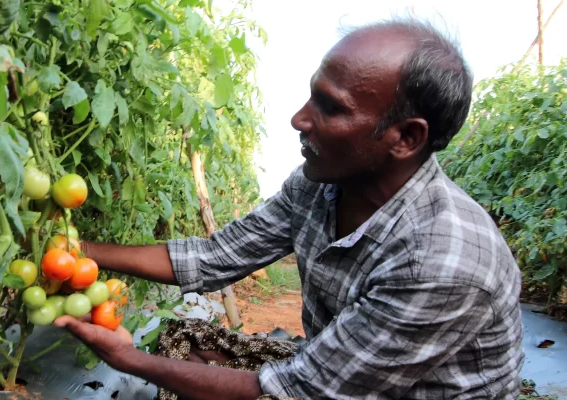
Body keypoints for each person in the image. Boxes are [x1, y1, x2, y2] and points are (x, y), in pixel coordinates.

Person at [53, 17, 524, 400]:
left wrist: (127, 359)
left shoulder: (443, 261)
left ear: (405, 137)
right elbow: (213, 259)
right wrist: (75, 248)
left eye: (330, 107)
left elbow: (303, 391)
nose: (299, 119)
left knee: (174, 372)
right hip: (339, 372)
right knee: (183, 343)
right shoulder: (320, 185)